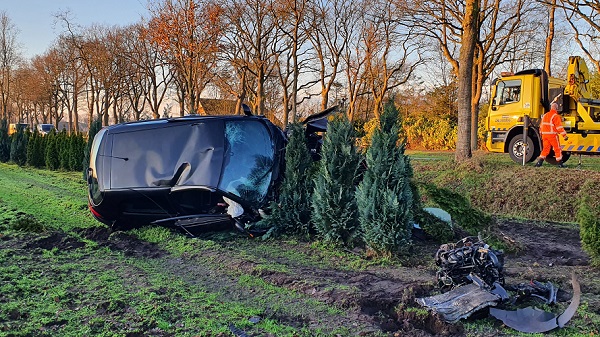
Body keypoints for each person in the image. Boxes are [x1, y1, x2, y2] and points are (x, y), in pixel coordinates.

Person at [535, 98, 568, 168]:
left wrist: (541, 134)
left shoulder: (545, 115)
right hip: (552, 135)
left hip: (544, 135)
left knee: (545, 149)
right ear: (556, 108)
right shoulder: (555, 116)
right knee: (557, 148)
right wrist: (564, 135)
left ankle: (539, 163)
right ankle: (560, 163)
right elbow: (559, 127)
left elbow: (541, 126)